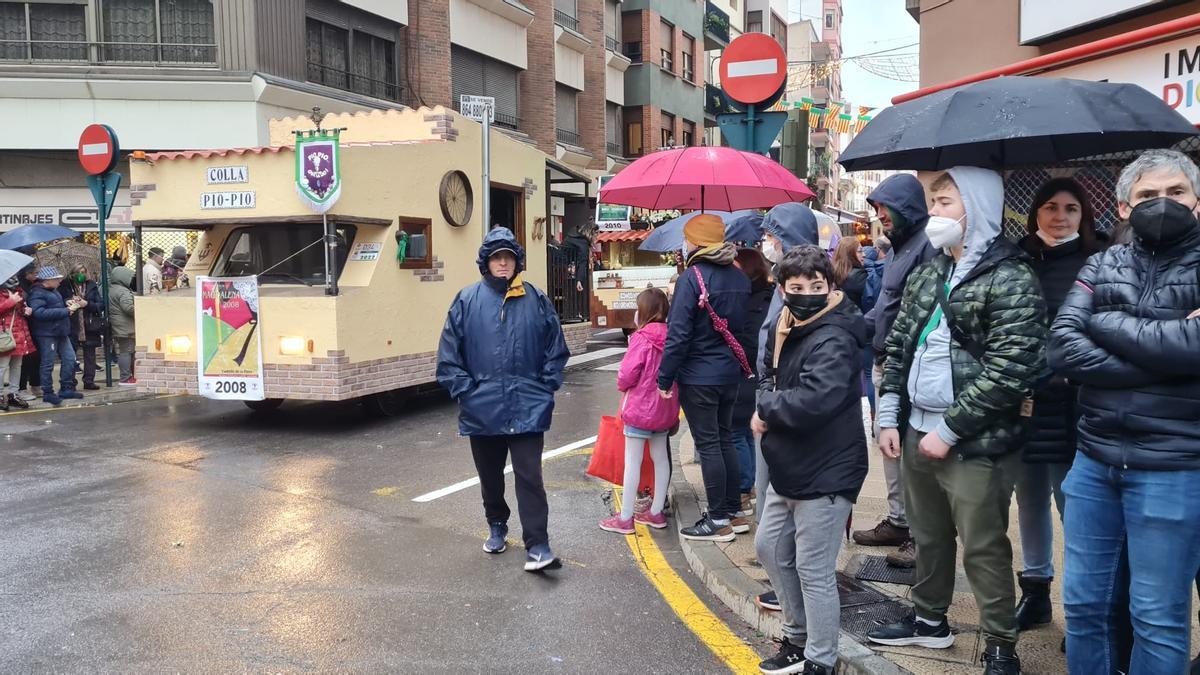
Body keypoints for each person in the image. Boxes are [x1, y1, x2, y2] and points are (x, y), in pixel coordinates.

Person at [866, 167, 1047, 675]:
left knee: (984, 545)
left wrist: (949, 431)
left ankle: (999, 645)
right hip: (916, 429)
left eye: (945, 202)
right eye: (934, 202)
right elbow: (899, 345)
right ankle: (929, 622)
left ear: (978, 207)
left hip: (975, 441)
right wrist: (888, 415)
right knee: (928, 534)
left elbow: (1013, 369)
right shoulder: (929, 272)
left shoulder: (1011, 277)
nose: (934, 213)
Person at [1048, 149, 1200, 675]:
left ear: (1197, 201)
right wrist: (1168, 360)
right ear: (1123, 206)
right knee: (1086, 608)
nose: (1163, 204)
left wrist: (1108, 325)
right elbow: (1062, 348)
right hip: (1094, 462)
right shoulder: (1103, 262)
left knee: (1157, 615)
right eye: (1147, 196)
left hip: (1175, 465)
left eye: (1175, 192)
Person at [752, 246, 869, 675]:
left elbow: (814, 401)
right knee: (768, 546)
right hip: (791, 460)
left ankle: (820, 659)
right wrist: (767, 397)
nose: (805, 294)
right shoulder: (784, 324)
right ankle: (797, 637)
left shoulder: (835, 335)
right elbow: (766, 371)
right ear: (782, 289)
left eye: (815, 287)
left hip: (829, 466)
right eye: (796, 287)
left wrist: (765, 406)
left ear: (830, 287)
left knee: (813, 568)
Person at [436, 227, 570, 572]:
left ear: (517, 262)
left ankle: (538, 545)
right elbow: (448, 356)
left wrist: (546, 386)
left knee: (529, 477)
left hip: (528, 406)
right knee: (491, 477)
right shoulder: (467, 300)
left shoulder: (536, 299)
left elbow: (556, 348)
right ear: (486, 262)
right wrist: (467, 391)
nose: (503, 263)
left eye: (508, 257)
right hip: (482, 409)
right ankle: (496, 523)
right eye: (497, 257)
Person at [1011, 177, 1104, 632]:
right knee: (1028, 500)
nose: (1060, 216)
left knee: (1075, 505)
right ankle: (1035, 592)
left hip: (1074, 403)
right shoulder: (1016, 258)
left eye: (1071, 208)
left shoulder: (1100, 261)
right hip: (1023, 402)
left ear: (1084, 214)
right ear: (1035, 213)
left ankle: (1083, 611)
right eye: (1049, 206)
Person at [851, 174, 937, 568]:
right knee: (889, 445)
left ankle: (921, 534)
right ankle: (900, 521)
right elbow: (885, 306)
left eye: (886, 207)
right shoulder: (901, 249)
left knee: (910, 450)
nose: (880, 215)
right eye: (877, 208)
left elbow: (919, 311)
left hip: (907, 365)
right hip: (884, 360)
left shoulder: (925, 247)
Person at [658, 213, 751, 542]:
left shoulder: (692, 277)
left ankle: (718, 520)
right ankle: (735, 512)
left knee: (709, 443)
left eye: (686, 239)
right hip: (731, 374)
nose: (684, 245)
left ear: (695, 242)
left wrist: (664, 379)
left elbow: (678, 335)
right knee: (725, 439)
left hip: (699, 376)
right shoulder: (739, 277)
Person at [752, 202, 821, 613]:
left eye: (771, 236)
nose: (766, 244)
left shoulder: (802, 293)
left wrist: (773, 404)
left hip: (784, 414)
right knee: (769, 500)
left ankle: (787, 588)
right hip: (772, 408)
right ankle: (782, 580)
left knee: (780, 504)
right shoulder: (784, 286)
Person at [600, 288, 678, 534]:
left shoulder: (641, 338)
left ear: (643, 311)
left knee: (632, 461)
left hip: (639, 409)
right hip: (664, 409)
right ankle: (656, 513)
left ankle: (625, 518)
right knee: (661, 458)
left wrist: (622, 385)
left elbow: (626, 375)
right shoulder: (673, 336)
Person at [732, 247, 774, 517]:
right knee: (746, 431)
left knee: (737, 430)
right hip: (756, 373)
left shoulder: (751, 301)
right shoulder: (768, 297)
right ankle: (748, 486)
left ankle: (744, 489)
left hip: (748, 372)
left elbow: (750, 341)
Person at [27, 266, 86, 406]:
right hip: (47, 333)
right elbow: (39, 313)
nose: (59, 281)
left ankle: (66, 388)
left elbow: (54, 306)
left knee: (70, 358)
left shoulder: (52, 290)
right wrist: (65, 311)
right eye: (56, 279)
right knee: (48, 363)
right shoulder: (37, 293)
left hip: (60, 331)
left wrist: (67, 302)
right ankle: (48, 392)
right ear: (47, 280)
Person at [59, 263, 103, 390]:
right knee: (70, 355)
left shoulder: (91, 285)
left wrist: (86, 304)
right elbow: (60, 301)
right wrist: (68, 300)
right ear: (73, 274)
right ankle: (70, 382)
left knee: (90, 355)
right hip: (71, 324)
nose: (81, 275)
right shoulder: (65, 285)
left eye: (84, 271)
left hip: (89, 324)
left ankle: (89, 381)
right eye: (79, 272)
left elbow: (100, 305)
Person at [0, 274, 34, 411]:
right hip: (4, 334)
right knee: (2, 367)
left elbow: (18, 310)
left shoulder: (18, 291)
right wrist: (11, 301)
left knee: (16, 365)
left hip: (18, 332)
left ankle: (13, 394)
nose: (14, 278)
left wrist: (25, 310)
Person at [107, 266, 137, 385]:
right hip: (126, 327)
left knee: (126, 350)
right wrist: (141, 311)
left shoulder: (111, 289)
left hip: (118, 325)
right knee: (127, 351)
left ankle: (127, 377)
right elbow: (128, 308)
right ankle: (125, 378)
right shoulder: (123, 291)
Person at [16, 264, 41, 400]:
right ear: (26, 274)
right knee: (24, 359)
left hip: (31, 325)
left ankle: (35, 384)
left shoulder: (34, 286)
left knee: (35, 357)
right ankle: (22, 388)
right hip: (22, 326)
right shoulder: (20, 288)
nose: (36, 275)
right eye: (33, 273)